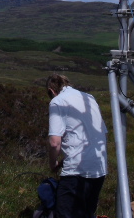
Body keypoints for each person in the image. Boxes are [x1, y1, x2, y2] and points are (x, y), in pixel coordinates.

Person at [46, 74, 107, 218]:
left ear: (52, 91)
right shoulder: (89, 98)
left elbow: (55, 142)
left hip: (76, 171)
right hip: (99, 168)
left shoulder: (57, 101)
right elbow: (102, 133)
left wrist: (53, 163)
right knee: (86, 213)